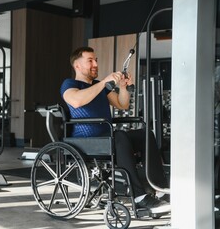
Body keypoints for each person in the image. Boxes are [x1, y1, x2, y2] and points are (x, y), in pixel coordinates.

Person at [60, 46, 170, 214]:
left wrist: (123, 87)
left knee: (145, 135)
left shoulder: (99, 86)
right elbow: (76, 101)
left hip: (106, 137)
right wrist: (105, 82)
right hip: (86, 142)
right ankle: (139, 197)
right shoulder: (70, 84)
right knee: (118, 136)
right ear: (77, 66)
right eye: (90, 61)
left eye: (95, 60)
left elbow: (122, 104)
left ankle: (161, 189)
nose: (95, 64)